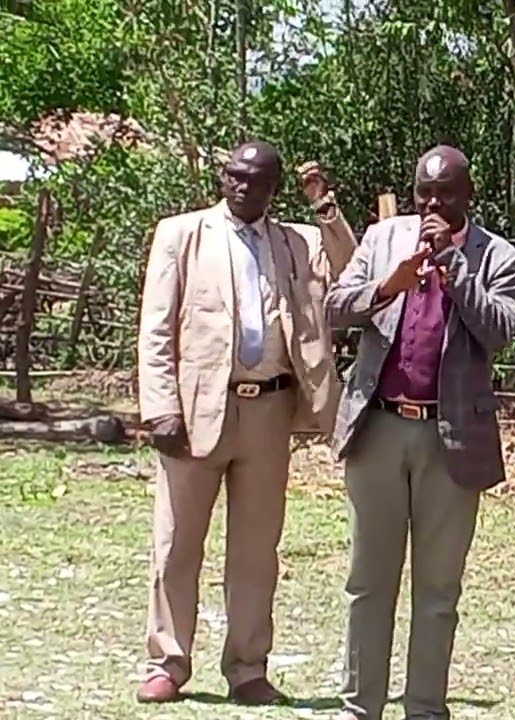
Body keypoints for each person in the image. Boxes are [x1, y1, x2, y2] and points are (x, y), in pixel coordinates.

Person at [134, 145, 357, 704]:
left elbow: (352, 271)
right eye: (235, 177)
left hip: (270, 412)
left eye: (257, 181)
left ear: (273, 187)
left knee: (257, 551)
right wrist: (160, 407)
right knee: (177, 544)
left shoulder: (296, 242)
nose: (243, 188)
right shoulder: (181, 234)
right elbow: (156, 328)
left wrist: (326, 210)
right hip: (194, 410)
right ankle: (167, 662)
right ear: (223, 177)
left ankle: (248, 669)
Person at [324, 144, 515, 720]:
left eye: (446, 194)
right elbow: (336, 306)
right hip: (380, 427)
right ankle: (359, 707)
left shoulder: (499, 257)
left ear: (469, 196)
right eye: (424, 192)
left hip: (451, 439)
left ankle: (425, 709)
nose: (432, 204)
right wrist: (389, 286)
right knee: (368, 582)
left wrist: (454, 268)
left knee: (437, 593)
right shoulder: (383, 239)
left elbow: (498, 331)